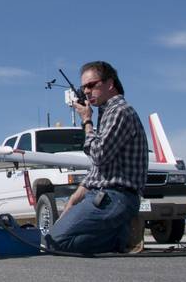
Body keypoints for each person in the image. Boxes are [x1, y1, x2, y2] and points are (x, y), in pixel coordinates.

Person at [46, 61, 148, 254]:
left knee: (56, 242)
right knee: (53, 239)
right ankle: (120, 231)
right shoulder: (108, 112)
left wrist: (87, 121)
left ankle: (123, 236)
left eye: (91, 85)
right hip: (105, 195)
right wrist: (79, 193)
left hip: (116, 196)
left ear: (110, 84)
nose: (86, 91)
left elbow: (99, 154)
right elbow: (102, 166)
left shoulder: (119, 111)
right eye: (83, 87)